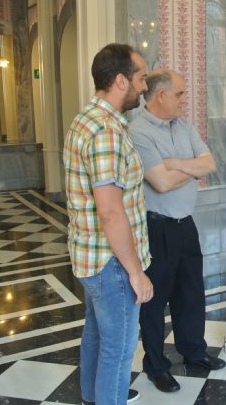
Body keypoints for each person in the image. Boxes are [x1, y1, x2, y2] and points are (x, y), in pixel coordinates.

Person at [63, 43, 153, 405]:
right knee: (118, 349)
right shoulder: (106, 131)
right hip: (111, 263)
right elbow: (111, 212)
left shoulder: (88, 118)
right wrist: (136, 272)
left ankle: (92, 397)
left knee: (97, 335)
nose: (144, 86)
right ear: (120, 80)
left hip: (92, 256)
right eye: (141, 78)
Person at [128, 69, 225, 394]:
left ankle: (194, 352)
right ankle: (156, 366)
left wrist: (174, 163)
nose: (185, 100)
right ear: (160, 95)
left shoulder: (183, 125)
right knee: (154, 301)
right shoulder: (138, 131)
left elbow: (209, 164)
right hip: (157, 227)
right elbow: (161, 182)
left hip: (186, 223)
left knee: (191, 293)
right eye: (180, 94)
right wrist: (189, 166)